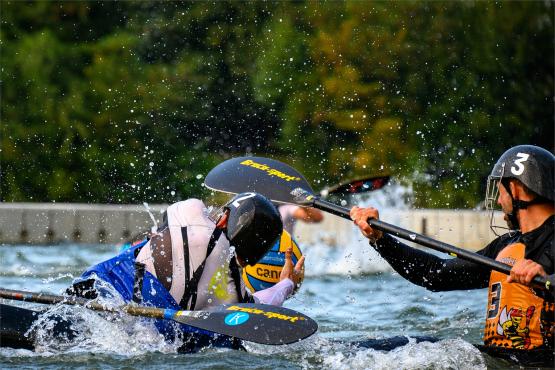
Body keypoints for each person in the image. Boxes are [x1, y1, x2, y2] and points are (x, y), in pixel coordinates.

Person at [350, 145, 554, 365]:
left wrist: (545, 280)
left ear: (515, 189)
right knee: (415, 346)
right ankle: (340, 353)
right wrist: (380, 239)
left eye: (501, 191)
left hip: (540, 361)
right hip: (502, 360)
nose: (498, 202)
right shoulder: (506, 245)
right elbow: (436, 274)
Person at [67, 192, 305, 352]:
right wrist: (286, 285)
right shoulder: (230, 282)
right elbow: (253, 314)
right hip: (151, 327)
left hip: (101, 281)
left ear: (226, 217)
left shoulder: (189, 209)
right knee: (224, 338)